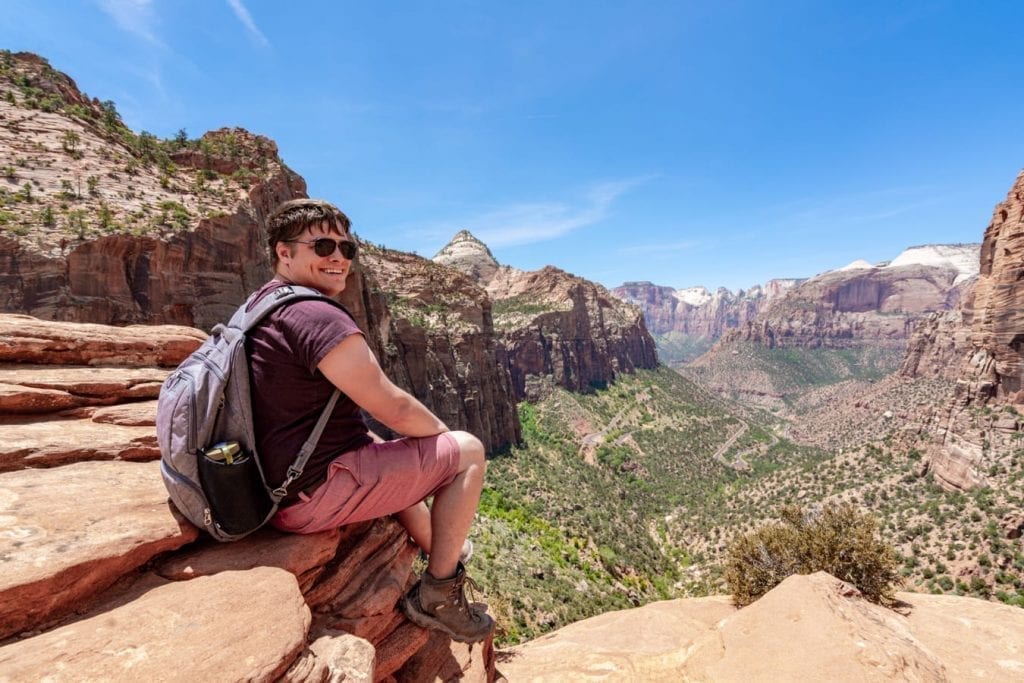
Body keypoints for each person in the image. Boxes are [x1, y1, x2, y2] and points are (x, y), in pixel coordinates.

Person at [248, 198, 494, 644]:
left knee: (376, 441)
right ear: (285, 253)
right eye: (322, 246)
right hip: (305, 495)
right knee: (468, 451)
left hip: (272, 480)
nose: (338, 257)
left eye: (346, 248)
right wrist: (443, 446)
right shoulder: (314, 315)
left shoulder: (264, 303)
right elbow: (394, 406)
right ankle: (438, 593)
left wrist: (415, 452)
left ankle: (433, 541)